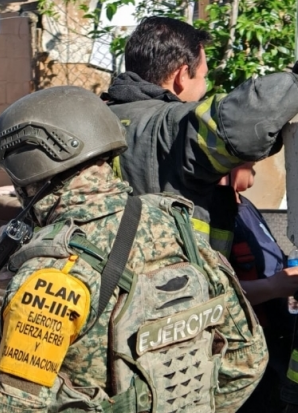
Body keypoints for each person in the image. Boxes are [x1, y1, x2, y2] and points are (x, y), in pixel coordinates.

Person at [0, 86, 267, 413]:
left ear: (27, 172)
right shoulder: (176, 226)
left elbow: (13, 408)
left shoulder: (52, 276)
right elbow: (248, 360)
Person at [102, 16, 298, 258]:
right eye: (203, 76)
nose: (204, 87)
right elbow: (242, 121)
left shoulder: (97, 117)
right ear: (182, 75)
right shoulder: (171, 126)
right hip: (170, 276)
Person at [215, 163, 297, 412]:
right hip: (246, 354)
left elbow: (272, 259)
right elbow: (212, 290)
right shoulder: (213, 212)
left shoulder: (244, 205)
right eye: (247, 157)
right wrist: (273, 286)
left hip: (275, 343)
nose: (255, 161)